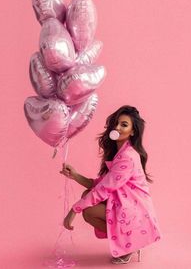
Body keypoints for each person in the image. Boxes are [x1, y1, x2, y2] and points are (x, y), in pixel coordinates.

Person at [60, 105, 161, 264]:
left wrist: (73, 210)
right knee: (87, 195)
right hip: (125, 204)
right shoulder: (119, 154)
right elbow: (100, 184)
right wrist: (75, 176)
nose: (117, 127)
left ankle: (131, 243)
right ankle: (129, 240)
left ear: (132, 132)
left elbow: (104, 190)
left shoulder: (127, 157)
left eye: (124, 125)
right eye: (116, 123)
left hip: (135, 211)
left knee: (88, 209)